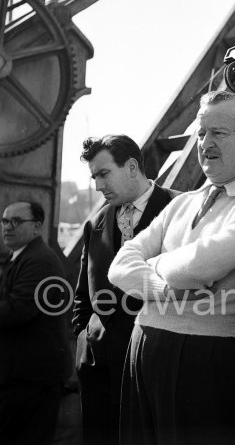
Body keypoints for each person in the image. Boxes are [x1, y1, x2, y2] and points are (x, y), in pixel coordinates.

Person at [107, 91, 235, 445]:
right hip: (143, 345)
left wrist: (150, 265)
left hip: (209, 357)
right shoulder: (183, 203)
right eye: (202, 133)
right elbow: (119, 266)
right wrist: (161, 289)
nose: (205, 143)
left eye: (218, 133)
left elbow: (195, 267)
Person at [73, 134, 179, 445]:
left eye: (103, 174)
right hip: (97, 368)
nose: (97, 185)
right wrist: (82, 334)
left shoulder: (179, 208)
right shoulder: (96, 223)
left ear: (132, 167)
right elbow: (83, 291)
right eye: (94, 177)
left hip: (152, 365)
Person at [0, 200, 69, 445]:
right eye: (5, 221)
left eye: (16, 221)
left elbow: (17, 310)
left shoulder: (39, 261)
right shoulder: (19, 257)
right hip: (22, 376)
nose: (8, 227)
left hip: (32, 378)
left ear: (37, 227)